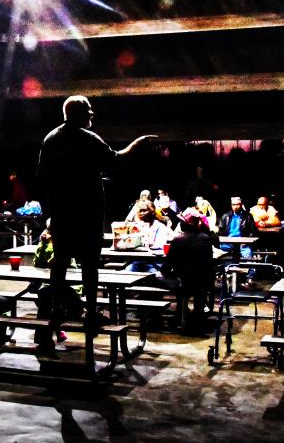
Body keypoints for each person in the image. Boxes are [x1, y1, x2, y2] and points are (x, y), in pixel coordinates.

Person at [37, 95, 155, 353]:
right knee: (90, 264)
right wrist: (137, 145)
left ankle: (56, 311)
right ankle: (90, 312)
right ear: (78, 113)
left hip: (61, 212)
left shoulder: (51, 138)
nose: (92, 114)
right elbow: (116, 161)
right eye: (89, 110)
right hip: (86, 212)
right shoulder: (88, 139)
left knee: (60, 261)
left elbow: (43, 176)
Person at [159, 207, 215, 334]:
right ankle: (197, 320)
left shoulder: (178, 240)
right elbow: (209, 263)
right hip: (203, 281)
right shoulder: (206, 238)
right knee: (197, 287)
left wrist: (167, 273)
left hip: (184, 282)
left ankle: (179, 317)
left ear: (185, 224)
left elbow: (167, 266)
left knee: (158, 279)